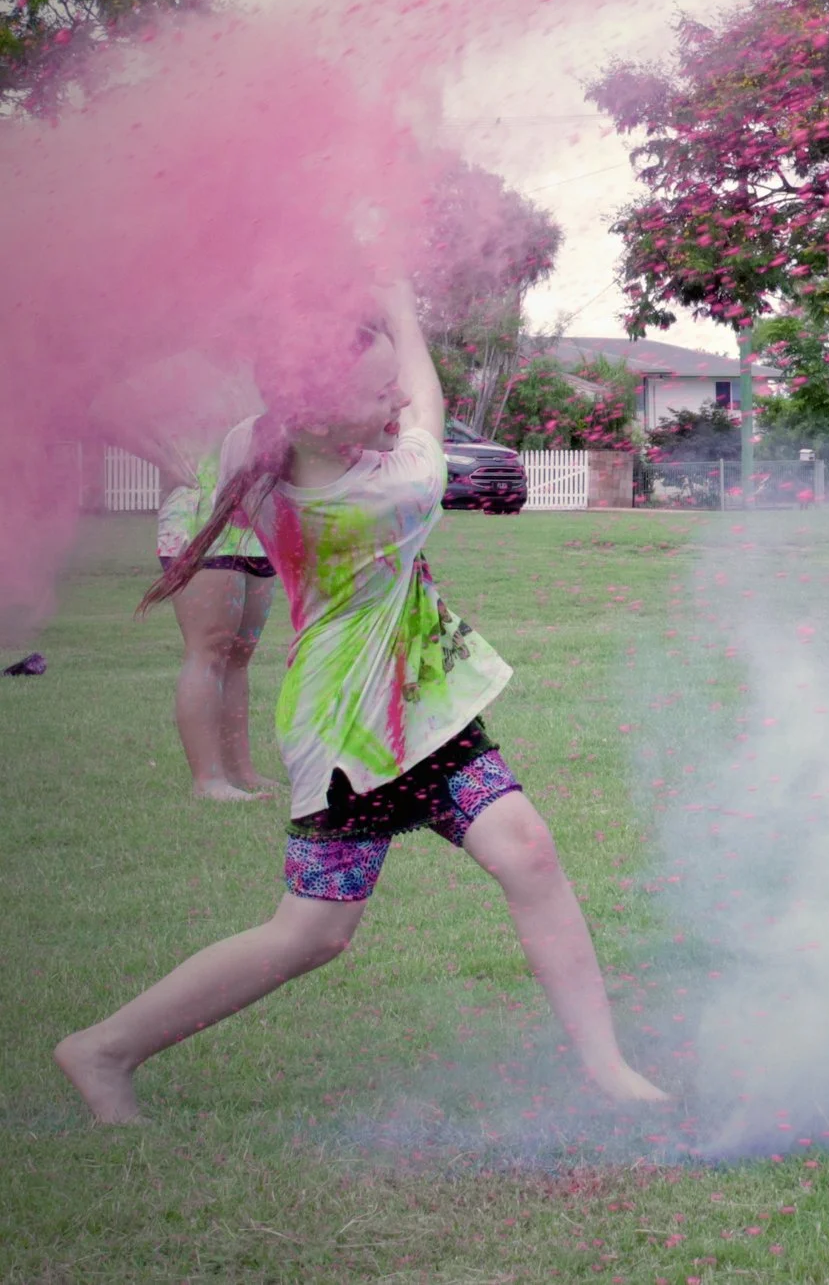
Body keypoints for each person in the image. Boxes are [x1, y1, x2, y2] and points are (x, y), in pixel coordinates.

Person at [55, 283, 665, 1124]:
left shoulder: (259, 441)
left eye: (393, 383)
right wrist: (401, 302)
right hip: (354, 741)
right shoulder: (381, 496)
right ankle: (103, 1047)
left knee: (527, 851)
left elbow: (302, 399)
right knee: (311, 933)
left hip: (423, 708)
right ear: (319, 421)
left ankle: (607, 1067)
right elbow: (433, 402)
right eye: (380, 394)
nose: (403, 398)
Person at [151, 433, 280, 800]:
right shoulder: (183, 378)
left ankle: (242, 772)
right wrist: (161, 456)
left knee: (239, 655)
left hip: (255, 521)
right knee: (208, 648)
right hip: (198, 519)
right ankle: (207, 781)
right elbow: (104, 408)